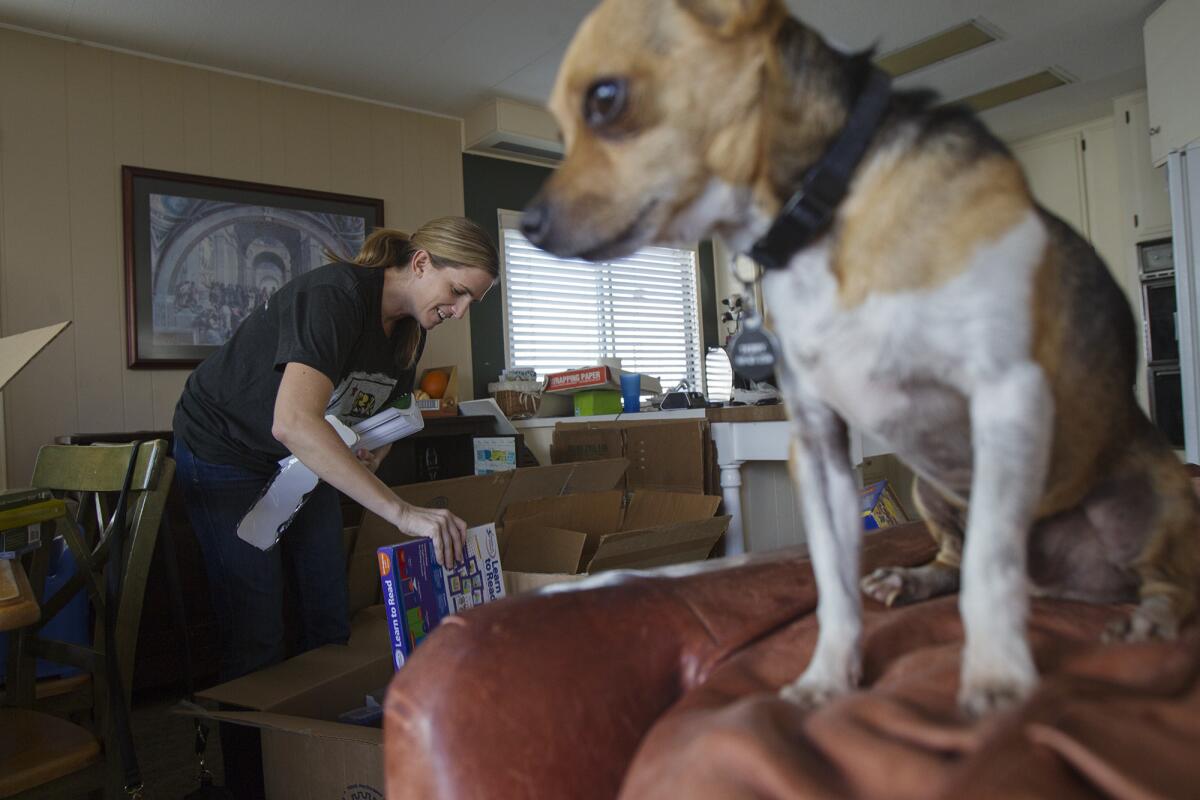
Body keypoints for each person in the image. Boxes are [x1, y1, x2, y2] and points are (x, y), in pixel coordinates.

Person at [171, 216, 498, 797]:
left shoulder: (409, 331)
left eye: (472, 299)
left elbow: (379, 408)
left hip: (297, 462)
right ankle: (255, 785)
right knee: (259, 631)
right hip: (227, 448)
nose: (461, 310)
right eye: (458, 292)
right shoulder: (334, 298)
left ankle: (323, 774)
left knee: (327, 618)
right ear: (421, 264)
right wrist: (400, 511)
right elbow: (293, 420)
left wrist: (372, 444)